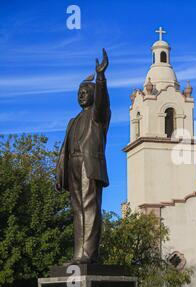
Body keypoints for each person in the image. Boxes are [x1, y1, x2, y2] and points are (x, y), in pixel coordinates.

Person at [56, 49, 111, 264]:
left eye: (85, 91)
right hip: (74, 167)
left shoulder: (99, 115)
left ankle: (89, 255)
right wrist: (60, 173)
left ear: (94, 95)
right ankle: (78, 254)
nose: (81, 94)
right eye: (79, 91)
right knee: (77, 211)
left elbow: (103, 102)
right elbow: (64, 150)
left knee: (90, 208)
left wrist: (101, 77)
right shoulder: (73, 120)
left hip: (90, 165)